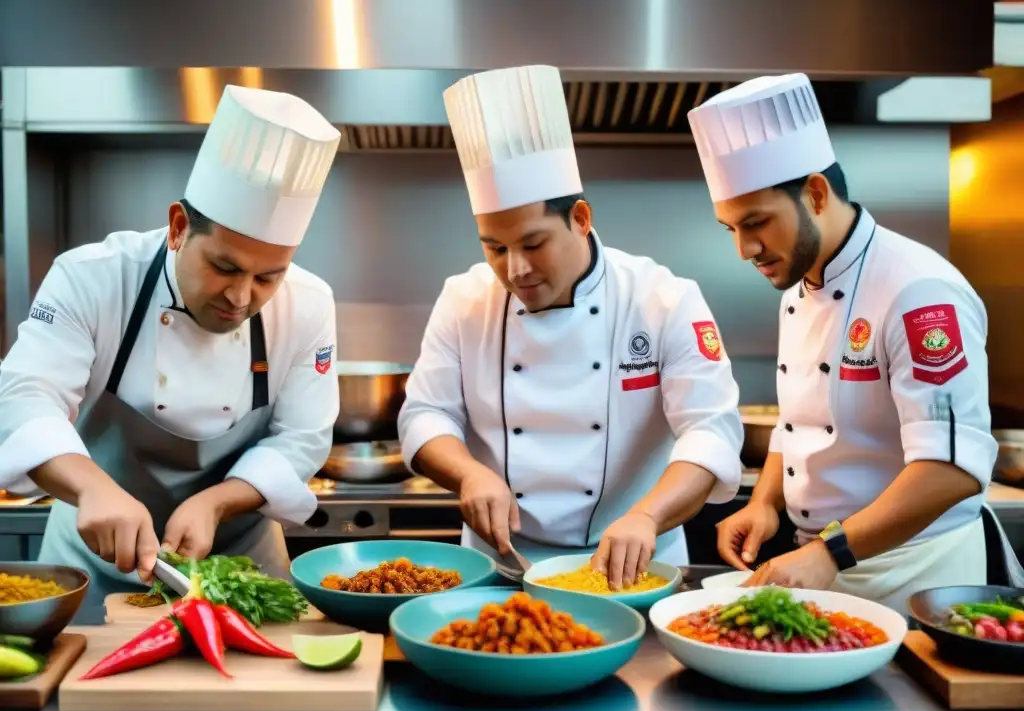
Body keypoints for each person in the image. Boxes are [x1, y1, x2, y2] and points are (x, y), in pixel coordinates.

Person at [398, 64, 744, 589]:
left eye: (533, 244)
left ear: (580, 218)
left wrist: (647, 516)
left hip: (634, 565)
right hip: (499, 565)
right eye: (494, 248)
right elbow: (425, 415)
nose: (514, 269)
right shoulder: (464, 299)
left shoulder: (663, 299)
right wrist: (468, 473)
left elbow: (711, 434)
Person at [688, 73, 1022, 612]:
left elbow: (951, 470)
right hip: (826, 567)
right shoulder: (798, 283)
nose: (744, 249)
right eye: (729, 228)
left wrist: (829, 552)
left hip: (919, 576)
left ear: (815, 193)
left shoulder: (918, 292)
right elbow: (799, 422)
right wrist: (767, 502)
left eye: (756, 223)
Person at [0, 84, 342, 608]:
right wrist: (92, 488)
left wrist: (217, 502)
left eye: (268, 277)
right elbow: (25, 397)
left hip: (241, 572)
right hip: (92, 567)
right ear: (179, 227)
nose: (240, 296)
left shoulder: (310, 304)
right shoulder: (92, 278)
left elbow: (301, 437)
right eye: (224, 267)